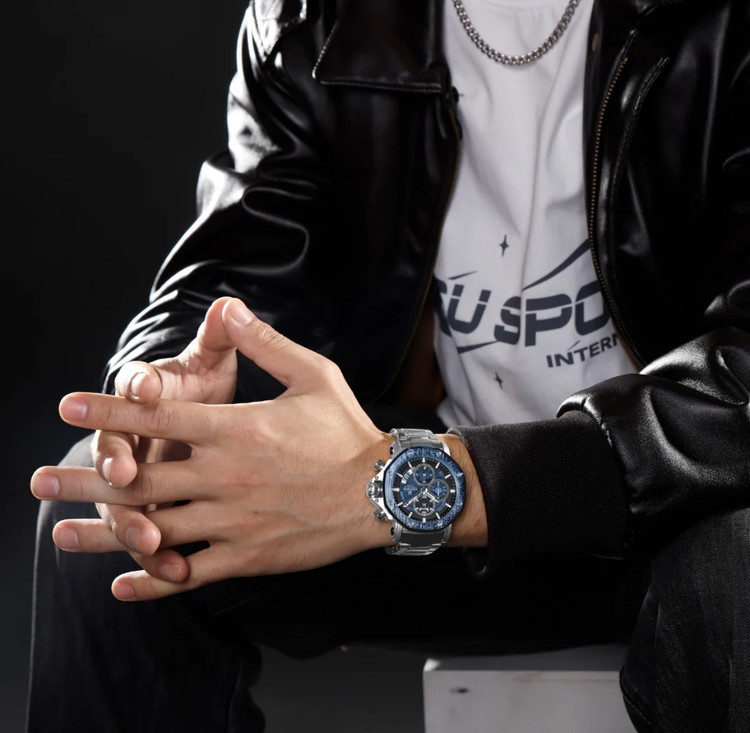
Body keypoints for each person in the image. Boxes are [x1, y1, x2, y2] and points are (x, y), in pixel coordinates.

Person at [27, 0, 750, 730]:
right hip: (420, 513)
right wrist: (168, 379)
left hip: (671, 511)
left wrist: (436, 481)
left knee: (736, 555)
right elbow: (245, 253)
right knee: (118, 501)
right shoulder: (313, 15)